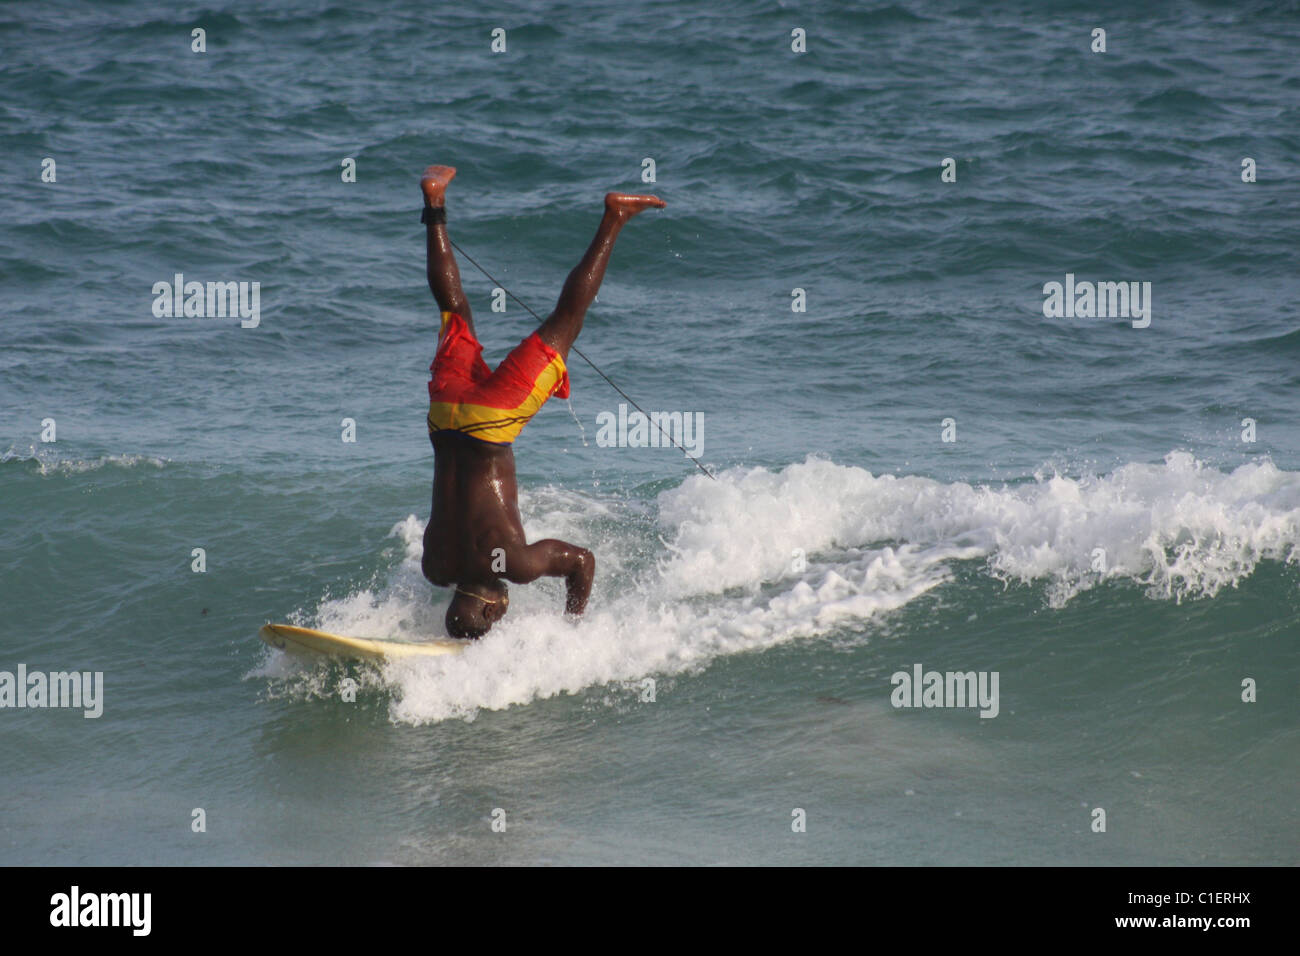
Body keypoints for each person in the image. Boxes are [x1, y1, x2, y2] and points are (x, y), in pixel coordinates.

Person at [417, 165, 664, 638]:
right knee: (454, 311)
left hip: (490, 422)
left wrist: (571, 633)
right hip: (444, 416)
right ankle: (434, 202)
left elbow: (582, 563)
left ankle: (614, 217)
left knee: (565, 322)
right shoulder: (435, 567)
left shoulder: (515, 564)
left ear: (492, 610)